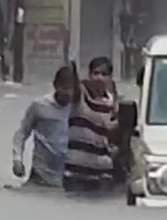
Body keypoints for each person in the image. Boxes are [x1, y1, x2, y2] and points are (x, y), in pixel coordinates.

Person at [64, 57, 120, 192]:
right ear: (89, 75)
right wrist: (73, 71)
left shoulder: (112, 103)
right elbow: (75, 90)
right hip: (76, 171)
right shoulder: (80, 96)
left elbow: (114, 137)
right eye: (95, 73)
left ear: (110, 78)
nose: (99, 78)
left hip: (102, 173)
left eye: (104, 74)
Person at [12, 66, 75, 187]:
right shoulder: (40, 106)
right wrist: (17, 160)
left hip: (67, 176)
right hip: (40, 174)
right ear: (55, 86)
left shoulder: (78, 108)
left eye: (70, 89)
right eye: (64, 88)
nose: (67, 93)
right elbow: (21, 133)